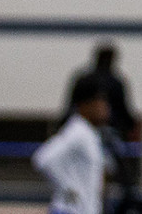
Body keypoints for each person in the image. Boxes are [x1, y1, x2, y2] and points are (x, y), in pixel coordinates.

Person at [33, 74, 111, 214]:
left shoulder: (90, 133)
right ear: (86, 104)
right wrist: (69, 190)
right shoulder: (77, 131)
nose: (105, 107)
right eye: (101, 101)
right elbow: (43, 158)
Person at [65, 43, 139, 142]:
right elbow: (123, 110)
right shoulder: (115, 82)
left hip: (83, 126)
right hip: (109, 130)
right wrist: (131, 126)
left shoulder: (83, 79)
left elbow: (70, 106)